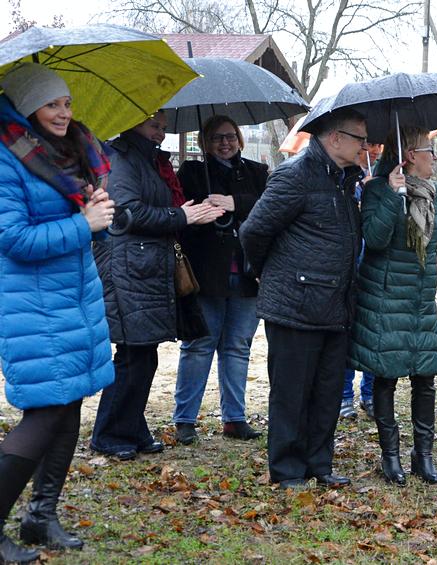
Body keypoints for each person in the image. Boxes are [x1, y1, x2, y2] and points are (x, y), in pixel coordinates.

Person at [0, 63, 115, 561]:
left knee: (69, 408)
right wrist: (83, 224)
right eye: (52, 104)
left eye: (67, 102)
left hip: (74, 298)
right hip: (33, 305)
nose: (64, 112)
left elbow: (86, 225)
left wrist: (97, 212)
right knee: (46, 411)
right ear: (27, 108)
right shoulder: (7, 159)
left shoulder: (69, 156)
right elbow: (14, 239)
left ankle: (40, 517)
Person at [240, 108, 368, 488]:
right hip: (294, 303)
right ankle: (287, 468)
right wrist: (269, 272)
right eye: (359, 138)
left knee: (326, 390)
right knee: (292, 392)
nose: (365, 145)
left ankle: (319, 463)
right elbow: (254, 231)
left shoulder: (346, 179)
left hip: (335, 303)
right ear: (334, 138)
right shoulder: (295, 175)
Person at [90, 111, 224, 461]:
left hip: (144, 266)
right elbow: (127, 213)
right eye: (154, 125)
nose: (161, 133)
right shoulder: (122, 159)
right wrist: (182, 215)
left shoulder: (146, 159)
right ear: (133, 121)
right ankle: (108, 433)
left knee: (144, 354)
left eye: (164, 127)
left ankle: (131, 427)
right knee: (133, 355)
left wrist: (189, 213)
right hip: (127, 267)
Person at [348, 125, 437, 486]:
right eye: (431, 151)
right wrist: (395, 198)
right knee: (385, 376)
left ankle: (423, 455)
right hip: (384, 299)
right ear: (411, 156)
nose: (435, 159)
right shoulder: (378, 191)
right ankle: (390, 455)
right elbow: (376, 240)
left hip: (420, 299)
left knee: (424, 376)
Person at [172, 115, 268, 445]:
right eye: (216, 138)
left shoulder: (257, 172)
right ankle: (185, 419)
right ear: (204, 143)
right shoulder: (193, 172)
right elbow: (183, 212)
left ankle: (234, 417)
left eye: (229, 137)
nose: (224, 143)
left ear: (240, 139)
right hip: (206, 273)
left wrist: (234, 203)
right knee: (199, 346)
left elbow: (271, 208)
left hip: (247, 274)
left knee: (238, 347)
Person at [339, 142, 382, 421]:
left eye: (377, 144)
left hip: (375, 271)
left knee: (373, 336)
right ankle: (344, 396)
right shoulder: (344, 176)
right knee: (347, 335)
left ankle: (370, 394)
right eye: (366, 144)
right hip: (347, 269)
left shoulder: (387, 177)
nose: (372, 149)